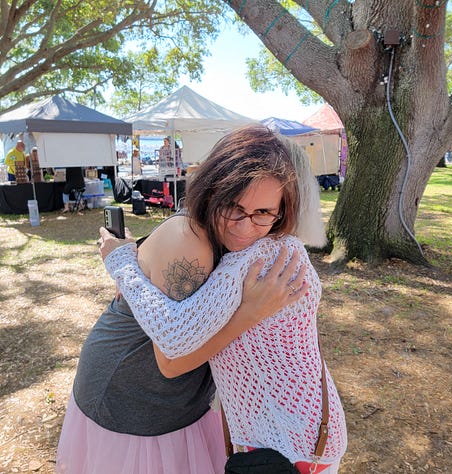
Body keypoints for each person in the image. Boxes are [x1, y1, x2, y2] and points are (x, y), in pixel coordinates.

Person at [55, 124, 320, 474]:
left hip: (180, 401)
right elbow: (172, 359)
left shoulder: (249, 241)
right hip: (131, 397)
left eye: (262, 214)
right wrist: (250, 312)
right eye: (233, 208)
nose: (244, 227)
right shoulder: (191, 240)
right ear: (213, 190)